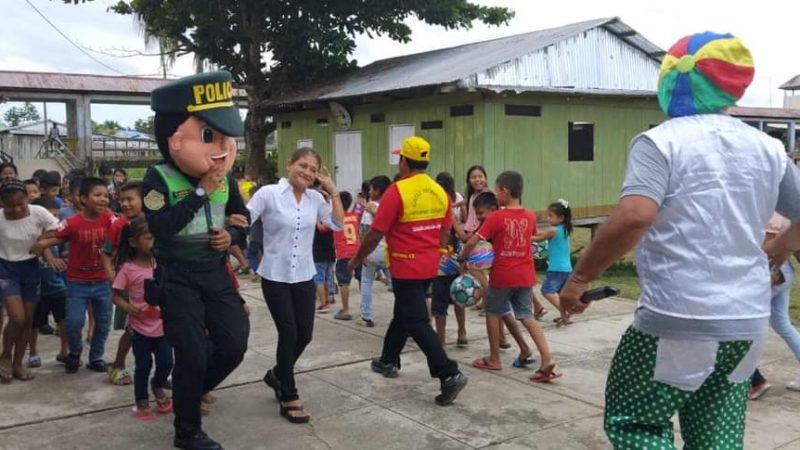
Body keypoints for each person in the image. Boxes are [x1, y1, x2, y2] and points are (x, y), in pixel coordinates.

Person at [559, 32, 800, 449]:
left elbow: (636, 214)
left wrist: (579, 279)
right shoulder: (769, 149)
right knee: (715, 437)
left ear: (669, 82)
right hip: (745, 322)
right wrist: (782, 248)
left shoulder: (661, 142)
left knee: (635, 421)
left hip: (676, 318)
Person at [141, 71, 250, 449]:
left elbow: (242, 219)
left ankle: (187, 392)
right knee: (189, 353)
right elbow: (163, 227)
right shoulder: (158, 178)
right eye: (209, 137)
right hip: (178, 277)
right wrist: (201, 193)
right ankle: (187, 432)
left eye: (226, 138)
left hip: (215, 272)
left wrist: (232, 236)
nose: (221, 148)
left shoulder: (228, 181)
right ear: (174, 139)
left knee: (233, 345)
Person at [347, 136, 468, 406]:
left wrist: (356, 259)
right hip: (429, 265)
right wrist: (433, 250)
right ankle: (388, 359)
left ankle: (449, 373)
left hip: (404, 266)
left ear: (404, 161)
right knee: (403, 313)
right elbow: (445, 231)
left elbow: (375, 233)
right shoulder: (439, 191)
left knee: (415, 320)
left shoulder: (397, 192)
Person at [248, 147, 344, 424]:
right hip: (275, 276)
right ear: (290, 164)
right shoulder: (268, 194)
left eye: (313, 169)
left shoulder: (315, 198)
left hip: (304, 275)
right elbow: (245, 217)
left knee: (305, 335)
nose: (307, 172)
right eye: (302, 165)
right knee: (288, 333)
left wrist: (332, 190)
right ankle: (288, 393)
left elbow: (338, 224)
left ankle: (277, 374)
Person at [462, 172, 558, 379]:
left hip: (503, 275)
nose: (496, 195)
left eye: (497, 191)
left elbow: (472, 242)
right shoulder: (530, 216)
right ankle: (547, 358)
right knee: (527, 316)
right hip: (525, 275)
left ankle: (494, 358)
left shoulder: (496, 217)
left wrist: (462, 258)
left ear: (504, 191)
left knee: (492, 312)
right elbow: (531, 237)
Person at [34, 177, 117, 374]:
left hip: (102, 282)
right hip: (77, 283)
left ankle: (96, 357)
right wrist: (41, 245)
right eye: (97, 195)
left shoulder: (110, 219)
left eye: (106, 195)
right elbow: (52, 235)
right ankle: (75, 353)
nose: (103, 199)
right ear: (82, 198)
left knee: (104, 322)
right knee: (74, 322)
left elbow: (125, 229)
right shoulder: (72, 222)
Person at [112, 218, 174, 421]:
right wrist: (128, 307)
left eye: (155, 237)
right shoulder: (128, 269)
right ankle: (142, 401)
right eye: (148, 238)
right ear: (133, 242)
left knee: (166, 363)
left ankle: (157, 385)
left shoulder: (163, 264)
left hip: (162, 327)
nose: (153, 242)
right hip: (139, 329)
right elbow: (116, 294)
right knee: (143, 365)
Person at [0, 180, 60, 382]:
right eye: (10, 206)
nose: (17, 210)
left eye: (21, 204)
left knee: (27, 319)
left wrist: (42, 242)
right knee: (16, 317)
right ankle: (5, 356)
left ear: (27, 199)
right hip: (6, 269)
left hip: (30, 268)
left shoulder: (38, 212)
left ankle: (18, 362)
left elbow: (59, 231)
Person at [749, 213, 800, 399]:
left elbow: (766, 250)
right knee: (781, 322)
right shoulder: (783, 210)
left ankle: (754, 380)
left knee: (746, 323)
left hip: (773, 272)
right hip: (784, 271)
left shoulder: (771, 214)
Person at [102, 181, 144, 386]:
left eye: (130, 199)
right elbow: (107, 253)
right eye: (122, 200)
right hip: (130, 286)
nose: (125, 204)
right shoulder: (118, 225)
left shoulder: (156, 221)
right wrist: (112, 277)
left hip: (154, 283)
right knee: (132, 328)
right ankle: (118, 364)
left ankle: (166, 370)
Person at [27, 197, 69, 369]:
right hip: (36, 288)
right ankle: (33, 352)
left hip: (56, 286)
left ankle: (65, 350)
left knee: (63, 319)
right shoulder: (30, 236)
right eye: (50, 218)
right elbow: (38, 246)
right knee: (33, 323)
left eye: (56, 218)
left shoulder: (57, 237)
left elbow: (63, 252)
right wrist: (49, 255)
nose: (54, 223)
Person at [432, 172, 468, 347]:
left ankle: (441, 341)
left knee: (439, 302)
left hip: (441, 258)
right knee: (458, 296)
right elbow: (463, 232)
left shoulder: (439, 206)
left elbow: (456, 232)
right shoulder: (456, 202)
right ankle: (462, 333)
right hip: (455, 258)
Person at [357, 175, 392, 327]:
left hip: (372, 251)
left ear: (377, 190)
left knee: (366, 283)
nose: (369, 191)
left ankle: (366, 316)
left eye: (371, 189)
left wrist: (362, 252)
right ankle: (403, 316)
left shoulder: (370, 207)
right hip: (389, 251)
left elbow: (364, 231)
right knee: (396, 286)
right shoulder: (391, 204)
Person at [533, 199, 574, 326]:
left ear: (561, 218)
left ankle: (565, 312)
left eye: (550, 216)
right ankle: (565, 316)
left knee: (546, 291)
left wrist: (523, 236)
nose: (547, 218)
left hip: (556, 268)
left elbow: (539, 238)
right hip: (567, 268)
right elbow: (542, 233)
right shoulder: (565, 230)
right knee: (562, 295)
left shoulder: (553, 230)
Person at [332, 191, 360, 321]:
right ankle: (364, 307)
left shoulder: (336, 219)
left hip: (344, 253)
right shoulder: (354, 216)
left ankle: (346, 309)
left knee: (344, 282)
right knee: (363, 280)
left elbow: (323, 228)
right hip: (357, 251)